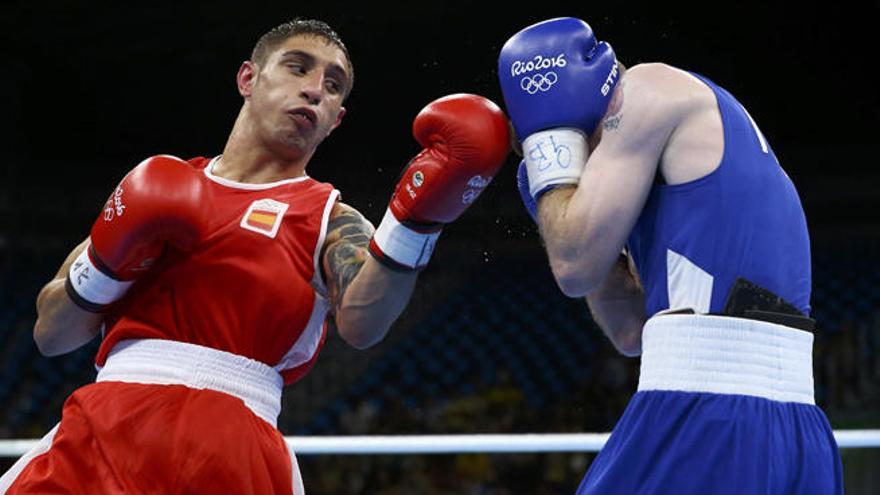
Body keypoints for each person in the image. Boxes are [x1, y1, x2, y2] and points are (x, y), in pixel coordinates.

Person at [1, 18, 510, 494]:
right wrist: (114, 259)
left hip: (232, 442)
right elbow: (51, 334)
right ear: (248, 77)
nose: (315, 88)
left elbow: (364, 324)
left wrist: (413, 224)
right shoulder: (154, 187)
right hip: (103, 426)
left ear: (336, 119)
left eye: (333, 86)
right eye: (298, 67)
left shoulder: (332, 220)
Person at [498, 17, 843, 494]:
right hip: (793, 429)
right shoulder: (678, 171)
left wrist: (550, 166)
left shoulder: (646, 88)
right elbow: (629, 332)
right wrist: (552, 203)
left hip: (711, 413)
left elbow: (572, 266)